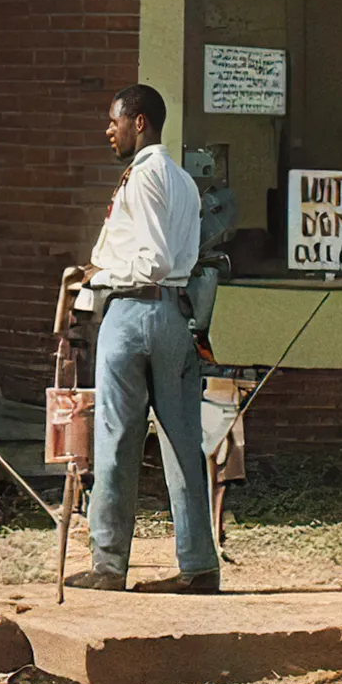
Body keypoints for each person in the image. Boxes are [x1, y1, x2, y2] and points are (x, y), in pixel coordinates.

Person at [69, 83, 217, 594]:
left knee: (115, 440)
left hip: (133, 309)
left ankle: (108, 565)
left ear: (139, 122)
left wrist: (99, 271)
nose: (107, 130)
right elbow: (181, 256)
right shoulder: (182, 180)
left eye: (114, 120)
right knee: (182, 444)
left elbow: (149, 258)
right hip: (175, 313)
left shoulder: (142, 177)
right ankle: (199, 564)